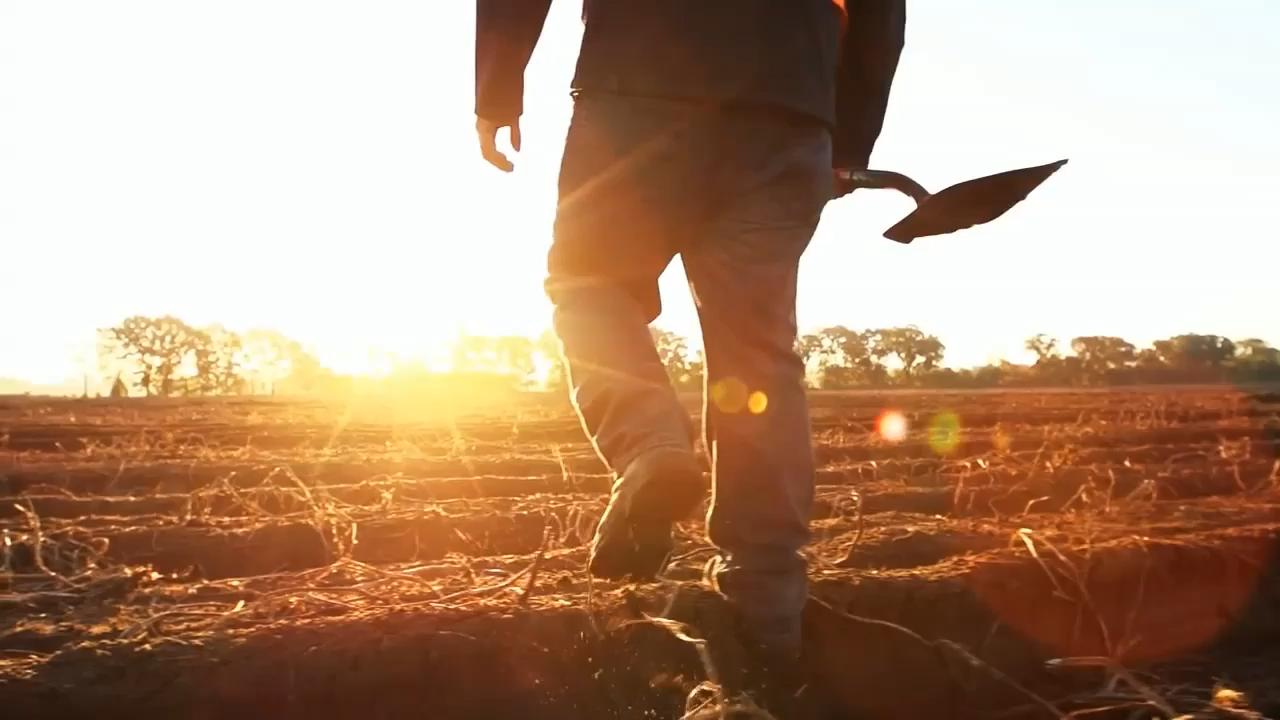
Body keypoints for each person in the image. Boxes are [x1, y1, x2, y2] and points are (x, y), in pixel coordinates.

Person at [475, 0, 904, 667]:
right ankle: (769, 608)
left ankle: (650, 445)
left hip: (638, 85)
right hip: (788, 104)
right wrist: (847, 144)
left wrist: (498, 87)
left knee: (590, 285)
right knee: (758, 357)